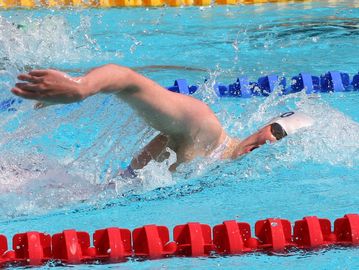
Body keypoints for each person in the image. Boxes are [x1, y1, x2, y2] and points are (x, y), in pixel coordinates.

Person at [11, 64, 314, 174]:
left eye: (282, 141)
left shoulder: (219, 169)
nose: (273, 141)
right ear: (264, 125)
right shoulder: (204, 130)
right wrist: (81, 88)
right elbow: (126, 79)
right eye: (276, 130)